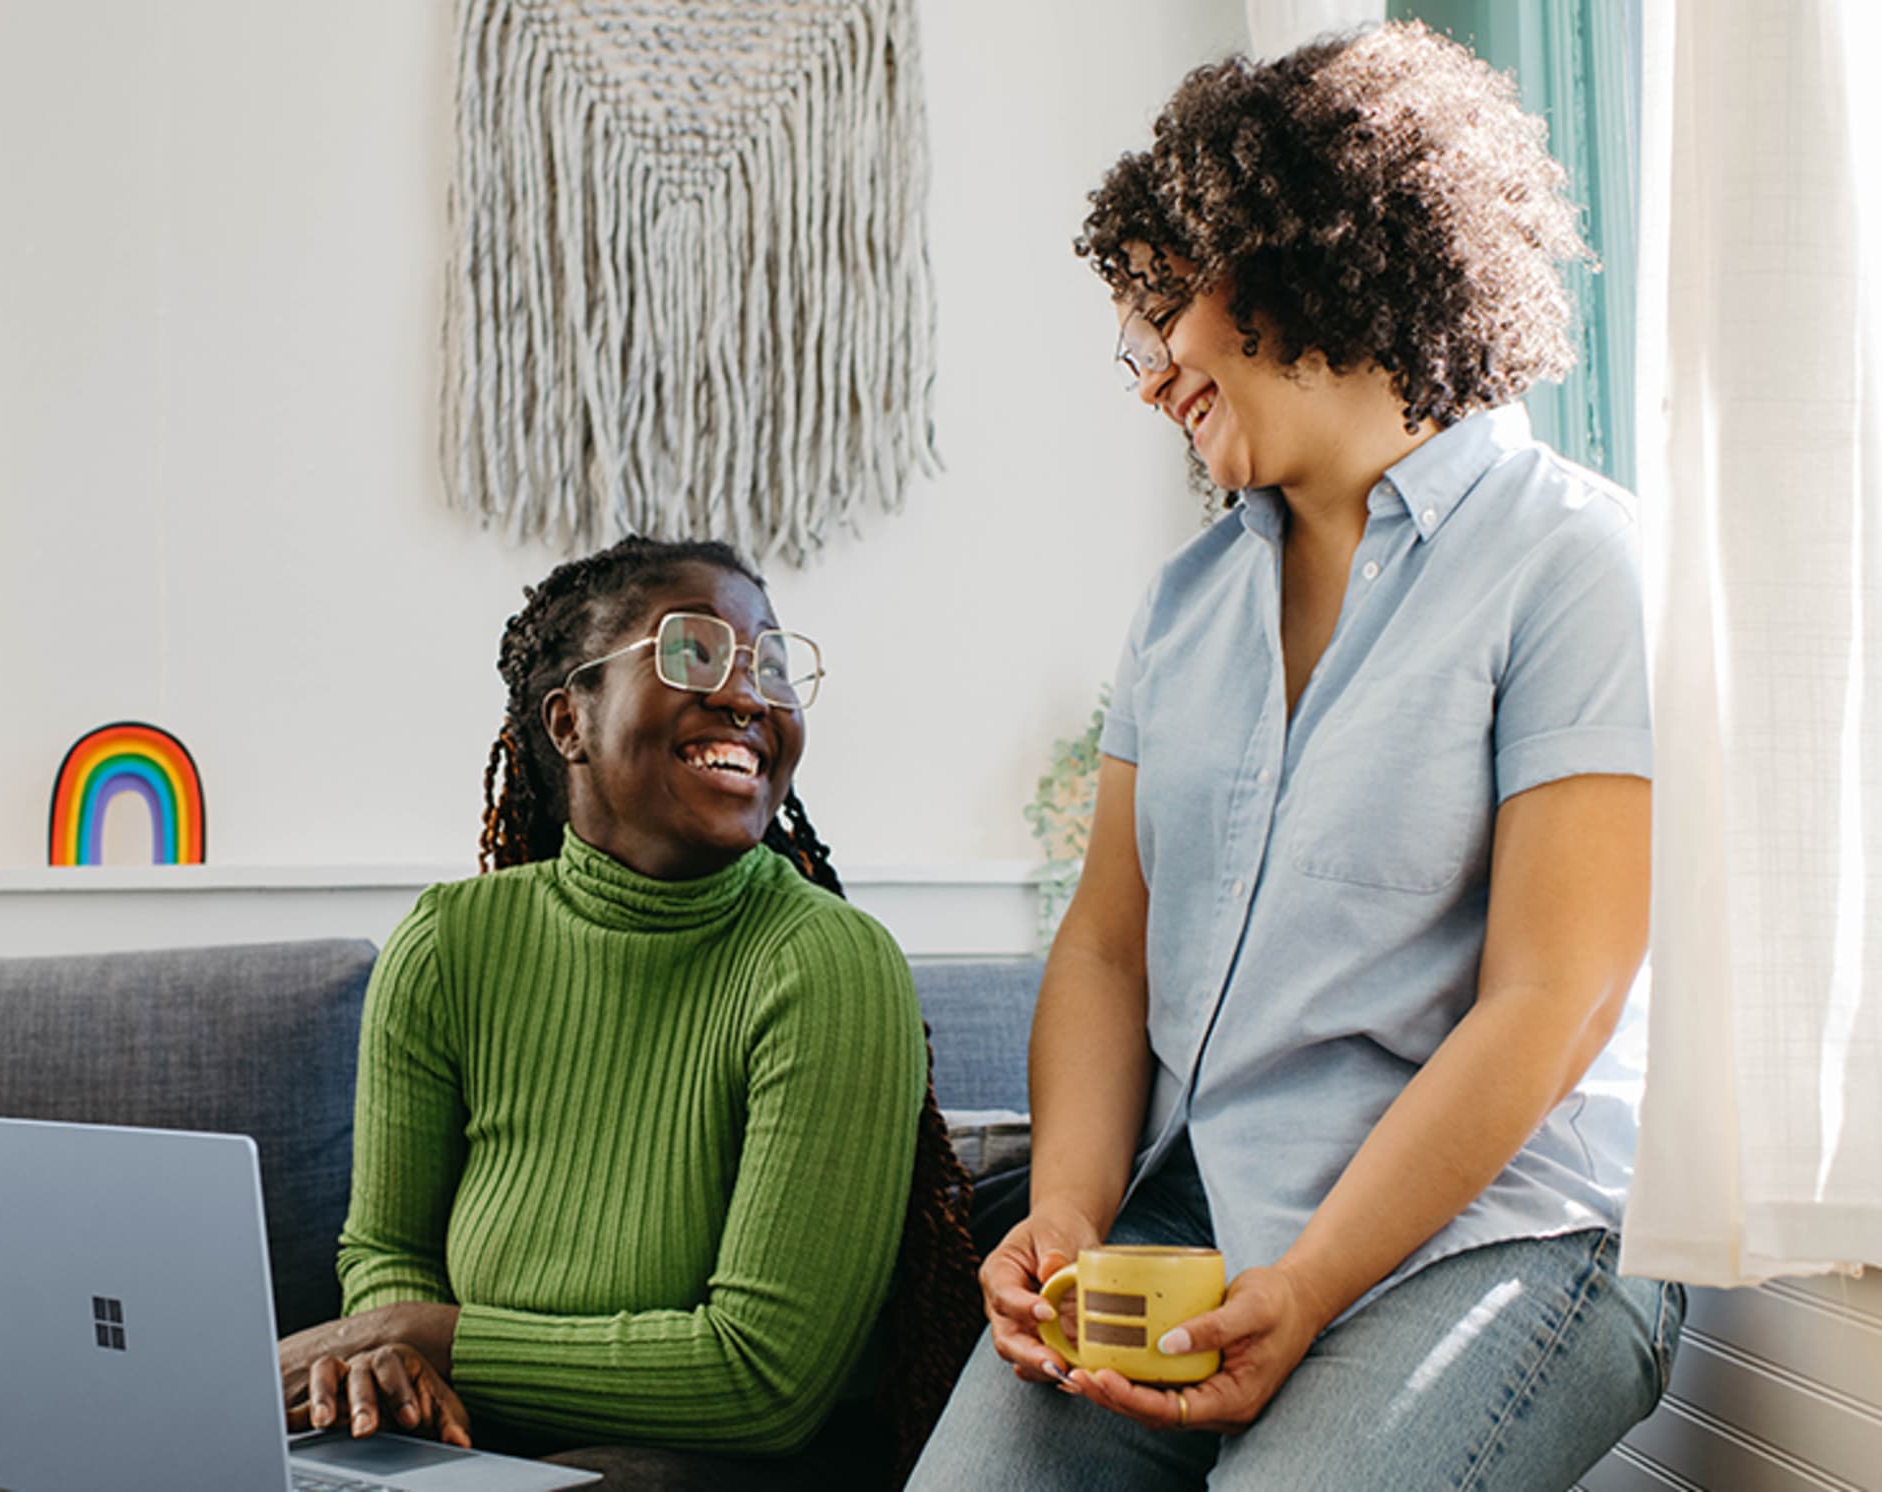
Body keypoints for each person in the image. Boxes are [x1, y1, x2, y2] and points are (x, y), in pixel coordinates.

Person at [910, 23, 1683, 1491]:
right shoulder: (1185, 605)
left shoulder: (1571, 560)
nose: (1146, 378)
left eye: (1162, 318)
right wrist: (1069, 1212)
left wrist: (1314, 1283)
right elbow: (1106, 954)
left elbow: (1553, 998)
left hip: (1504, 1239)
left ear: (1295, 259)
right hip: (1193, 1224)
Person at [280, 536, 982, 1489]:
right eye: (694, 653)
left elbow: (765, 1382)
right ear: (569, 720)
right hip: (463, 1444)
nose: (747, 696)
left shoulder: (827, 962)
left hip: (711, 1466)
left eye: (770, 665)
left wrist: (424, 1335)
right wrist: (394, 1367)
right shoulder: (450, 943)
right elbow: (390, 1245)